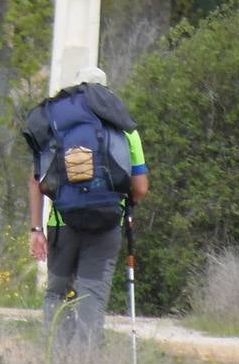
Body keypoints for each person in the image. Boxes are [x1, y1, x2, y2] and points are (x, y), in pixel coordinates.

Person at [24, 65, 148, 346]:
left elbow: (36, 181)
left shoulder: (58, 126)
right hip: (107, 225)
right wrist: (124, 204)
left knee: (56, 294)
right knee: (91, 297)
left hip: (61, 223)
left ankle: (57, 363)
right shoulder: (126, 130)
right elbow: (140, 188)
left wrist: (35, 229)